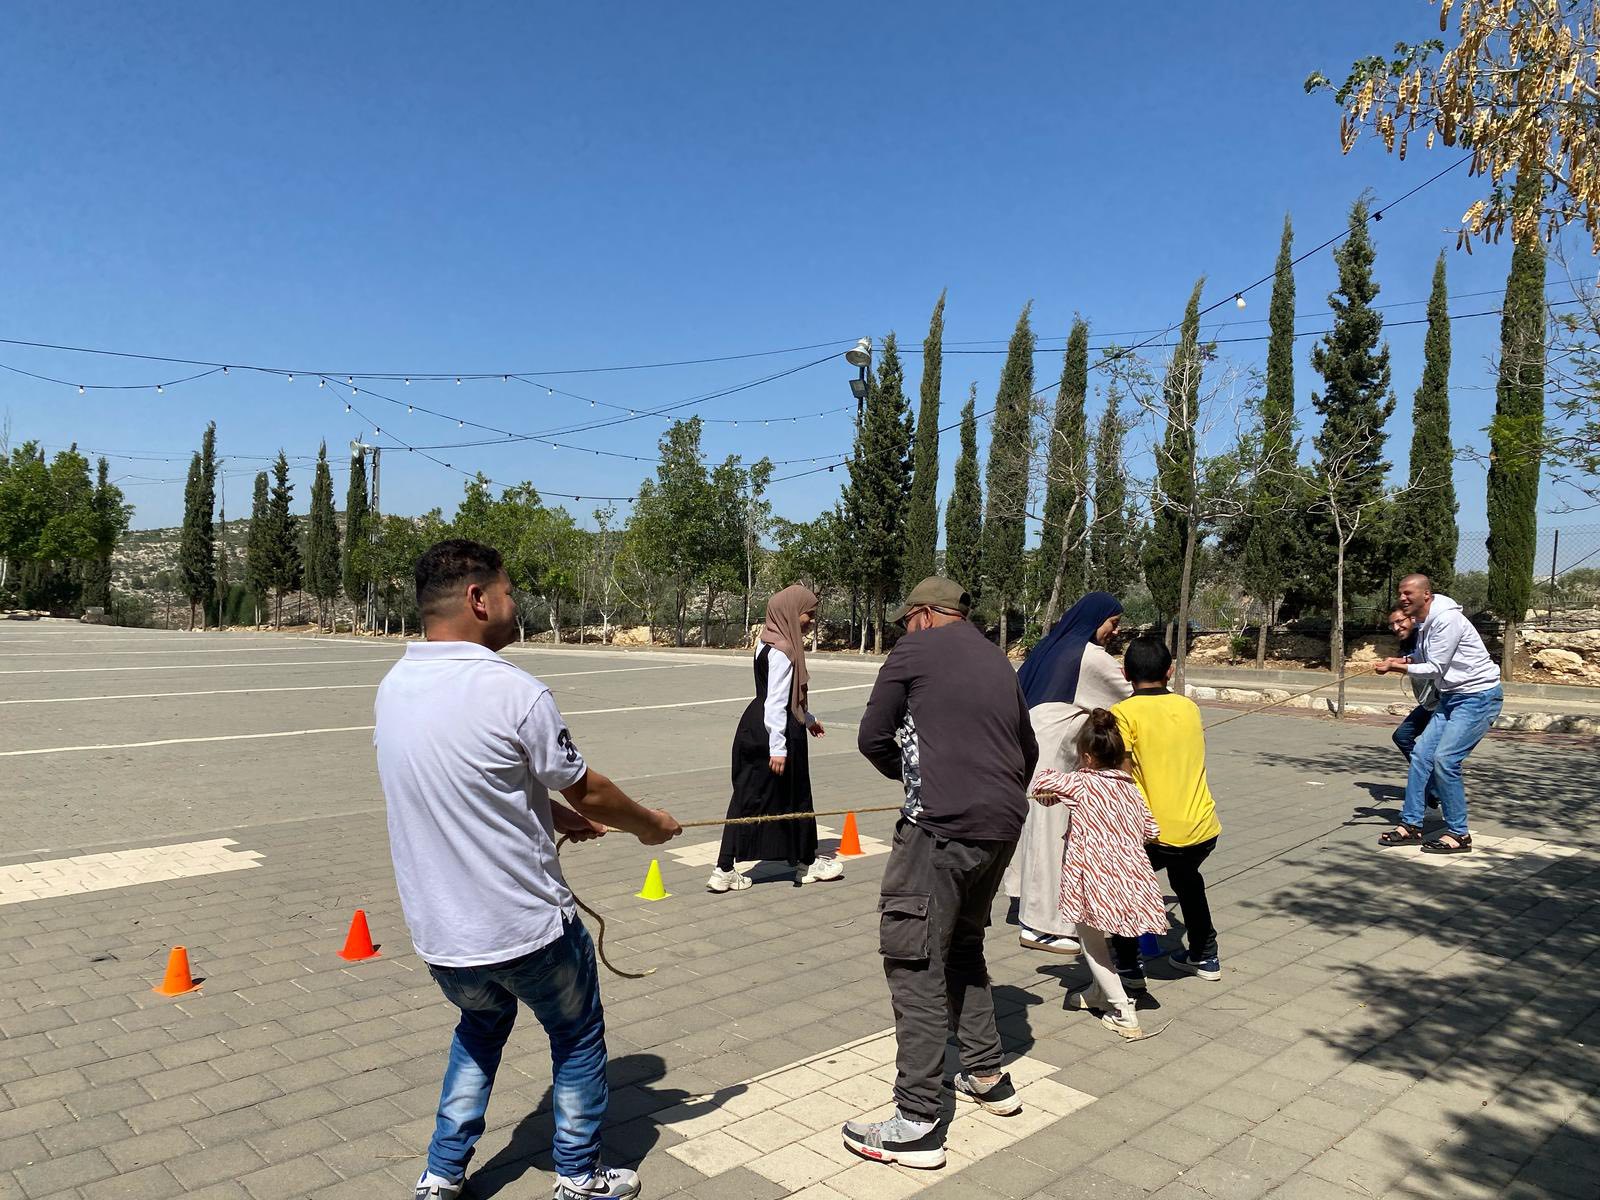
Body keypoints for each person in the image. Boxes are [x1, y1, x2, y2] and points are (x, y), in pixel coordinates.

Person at [374, 540, 682, 1200]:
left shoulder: (395, 687)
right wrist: (649, 825)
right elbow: (590, 790)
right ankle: (578, 1176)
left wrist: (551, 816)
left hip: (444, 939)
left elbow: (473, 780)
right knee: (577, 1035)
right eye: (509, 592)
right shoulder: (514, 691)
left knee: (479, 1030)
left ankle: (440, 1174)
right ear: (478, 599)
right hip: (527, 930)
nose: (516, 604)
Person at [843, 577, 1039, 1171]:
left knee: (915, 962)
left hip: (940, 829)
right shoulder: (997, 657)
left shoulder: (915, 649)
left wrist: (920, 781)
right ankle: (986, 1073)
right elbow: (1027, 749)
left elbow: (872, 737)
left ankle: (917, 1121)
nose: (903, 631)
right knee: (963, 948)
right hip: (1001, 826)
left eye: (906, 620)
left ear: (925, 614)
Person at [1006, 592, 1131, 955]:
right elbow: (1130, 697)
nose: (1115, 631)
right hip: (1054, 756)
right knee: (1052, 837)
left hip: (1027, 747)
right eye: (1113, 623)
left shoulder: (1050, 646)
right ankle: (1043, 926)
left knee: (1032, 831)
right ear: (1095, 620)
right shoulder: (1090, 657)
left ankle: (1022, 900)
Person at [1031, 711, 1167, 1040]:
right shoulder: (1131, 788)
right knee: (1102, 940)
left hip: (1092, 877)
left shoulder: (1080, 783)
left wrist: (1059, 789)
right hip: (1131, 878)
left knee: (1093, 946)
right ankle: (1097, 993)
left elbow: (1041, 781)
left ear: (1087, 758)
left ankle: (1123, 1010)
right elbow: (1152, 829)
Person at [708, 584, 841, 891]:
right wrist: (778, 747)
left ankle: (724, 868)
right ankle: (806, 863)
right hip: (776, 731)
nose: (811, 621)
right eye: (808, 614)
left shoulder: (766, 642)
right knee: (797, 795)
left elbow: (777, 697)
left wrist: (808, 719)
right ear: (792, 613)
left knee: (748, 797)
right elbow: (777, 702)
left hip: (754, 726)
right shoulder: (784, 651)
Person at [1107, 636, 1224, 985]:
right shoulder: (1189, 707)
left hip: (1155, 833)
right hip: (1201, 826)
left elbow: (1122, 775)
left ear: (1125, 673)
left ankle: (1128, 966)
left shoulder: (1122, 713)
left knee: (1124, 884)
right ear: (1169, 671)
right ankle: (1205, 954)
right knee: (1187, 879)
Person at [1375, 573, 1503, 854]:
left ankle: (1459, 834)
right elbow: (1425, 656)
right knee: (1421, 756)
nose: (1402, 598)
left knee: (1445, 760)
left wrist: (1395, 667)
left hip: (1477, 698)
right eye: (1400, 593)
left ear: (1426, 594)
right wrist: (1401, 659)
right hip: (1450, 697)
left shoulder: (1447, 619)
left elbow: (1435, 668)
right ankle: (1411, 825)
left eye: (1408, 593)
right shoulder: (1425, 621)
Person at [1388, 607, 1440, 809]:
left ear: (1411, 619)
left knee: (1429, 752)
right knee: (1402, 736)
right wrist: (1397, 662)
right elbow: (1412, 659)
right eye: (1392, 624)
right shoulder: (1409, 642)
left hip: (1441, 703)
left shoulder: (1424, 636)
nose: (1396, 627)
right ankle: (1432, 783)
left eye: (1399, 621)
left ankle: (1433, 788)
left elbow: (1431, 666)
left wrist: (1398, 665)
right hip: (1427, 704)